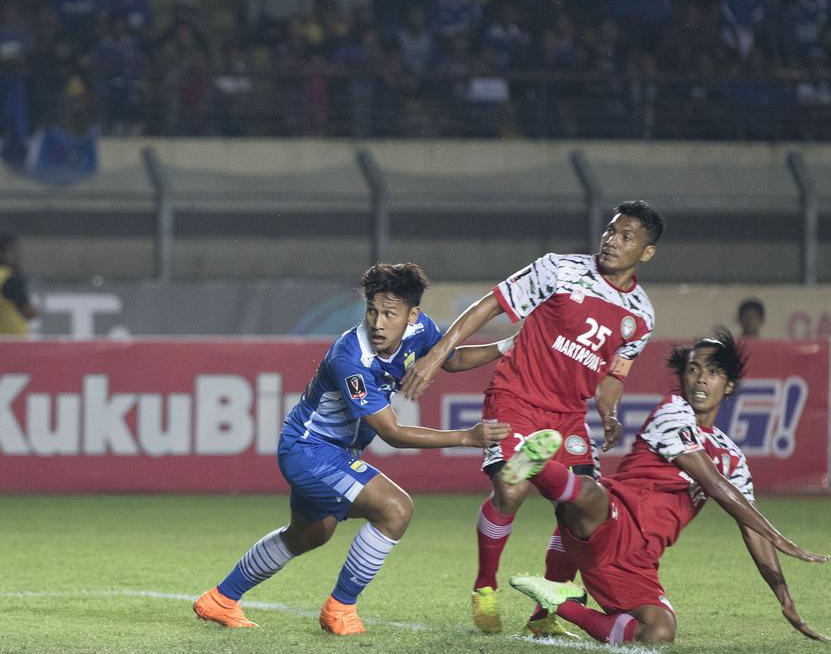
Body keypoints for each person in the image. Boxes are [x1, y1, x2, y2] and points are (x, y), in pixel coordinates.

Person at [193, 263, 511, 635]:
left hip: (333, 453)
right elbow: (391, 432)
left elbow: (451, 359)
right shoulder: (351, 358)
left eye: (389, 313)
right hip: (310, 451)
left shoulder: (421, 330)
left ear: (413, 315)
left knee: (308, 535)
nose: (377, 323)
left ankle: (221, 599)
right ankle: (340, 609)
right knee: (395, 509)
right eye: (372, 311)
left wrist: (505, 346)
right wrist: (466, 437)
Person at [400, 200, 665, 638]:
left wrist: (610, 410)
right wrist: (435, 356)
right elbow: (489, 305)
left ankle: (547, 614)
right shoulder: (558, 269)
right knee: (511, 486)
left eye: (626, 236)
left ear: (647, 252)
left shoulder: (642, 315)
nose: (611, 241)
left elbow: (615, 371)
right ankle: (485, 586)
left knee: (578, 510)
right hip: (516, 397)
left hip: (569, 417)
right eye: (610, 231)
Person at [506, 328, 828, 644]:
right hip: (611, 521)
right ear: (683, 376)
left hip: (638, 561)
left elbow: (751, 528)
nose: (701, 378)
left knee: (660, 632)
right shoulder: (673, 411)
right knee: (589, 492)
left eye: (713, 372)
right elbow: (714, 484)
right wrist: (780, 536)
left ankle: (559, 601)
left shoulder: (732, 456)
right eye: (693, 369)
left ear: (728, 385)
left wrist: (784, 597)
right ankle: (533, 465)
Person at [0, 232, 39, 336]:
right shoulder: (10, 279)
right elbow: (29, 312)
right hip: (15, 340)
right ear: (8, 251)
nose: (19, 256)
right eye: (16, 251)